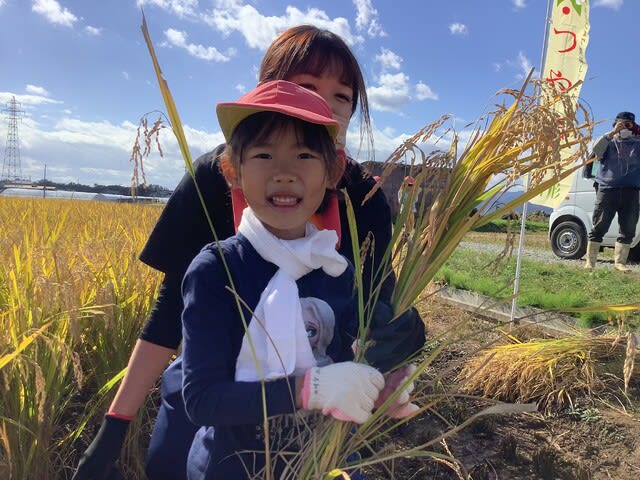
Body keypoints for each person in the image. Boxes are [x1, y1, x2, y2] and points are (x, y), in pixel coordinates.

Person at [73, 25, 424, 480]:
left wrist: (394, 355)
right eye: (306, 87)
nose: (326, 108)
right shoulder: (215, 178)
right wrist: (116, 425)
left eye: (342, 97)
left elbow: (370, 307)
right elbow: (171, 312)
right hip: (215, 387)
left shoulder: (364, 199)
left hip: (315, 416)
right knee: (169, 465)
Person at [180, 79, 386, 478]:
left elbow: (343, 367)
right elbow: (202, 400)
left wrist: (384, 387)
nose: (285, 173)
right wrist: (307, 390)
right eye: (263, 154)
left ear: (333, 171)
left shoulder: (334, 268)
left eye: (305, 155)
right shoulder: (217, 270)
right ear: (232, 171)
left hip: (320, 464)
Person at [584, 111, 640, 271]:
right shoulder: (608, 142)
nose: (624, 128)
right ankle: (590, 262)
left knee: (628, 227)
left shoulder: (637, 144)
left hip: (631, 191)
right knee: (599, 225)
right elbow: (596, 151)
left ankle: (620, 262)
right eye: (621, 124)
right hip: (607, 190)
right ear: (615, 124)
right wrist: (612, 133)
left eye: (628, 124)